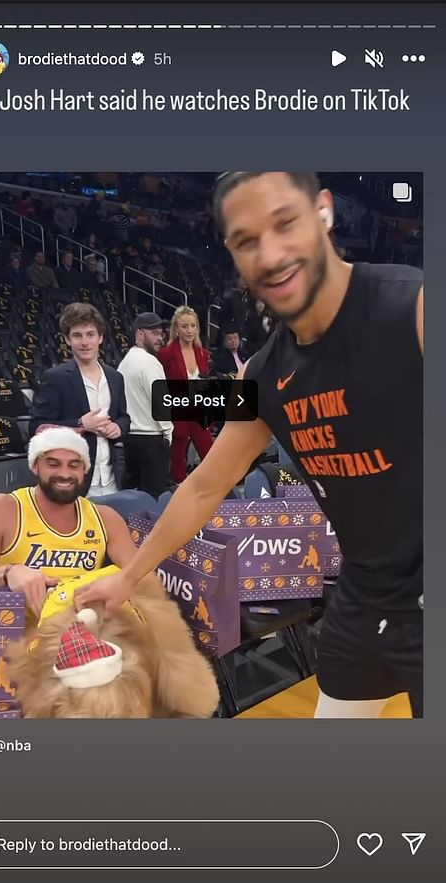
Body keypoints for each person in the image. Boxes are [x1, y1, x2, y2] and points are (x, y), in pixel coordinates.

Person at [74, 171, 423, 721]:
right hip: (366, 594)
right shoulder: (261, 374)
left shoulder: (414, 306)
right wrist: (128, 576)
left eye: (286, 223)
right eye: (246, 240)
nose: (272, 252)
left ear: (324, 212)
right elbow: (204, 486)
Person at [0, 427, 136, 618]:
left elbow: (143, 578)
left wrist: (118, 582)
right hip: (14, 634)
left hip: (86, 634)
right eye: (53, 464)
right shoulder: (2, 508)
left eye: (74, 465)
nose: (65, 474)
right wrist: (7, 573)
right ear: (35, 466)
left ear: (85, 470)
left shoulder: (105, 518)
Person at [29, 302, 130, 497]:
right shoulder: (55, 378)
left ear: (100, 338)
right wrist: (80, 424)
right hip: (73, 483)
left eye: (90, 335)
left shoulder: (115, 377)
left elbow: (123, 417)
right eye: (77, 335)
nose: (85, 342)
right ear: (67, 340)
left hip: (112, 481)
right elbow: (36, 427)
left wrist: (118, 427)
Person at [117, 312, 173, 498]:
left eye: (161, 333)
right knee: (153, 497)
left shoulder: (124, 362)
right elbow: (161, 402)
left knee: (131, 496)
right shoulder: (150, 363)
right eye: (155, 333)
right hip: (152, 439)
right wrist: (168, 432)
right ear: (140, 334)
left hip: (130, 437)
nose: (160, 338)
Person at [157, 306, 213, 484]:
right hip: (177, 413)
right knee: (177, 463)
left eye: (193, 326)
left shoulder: (203, 353)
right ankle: (179, 495)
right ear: (176, 329)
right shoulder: (166, 354)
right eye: (184, 326)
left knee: (209, 454)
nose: (189, 331)